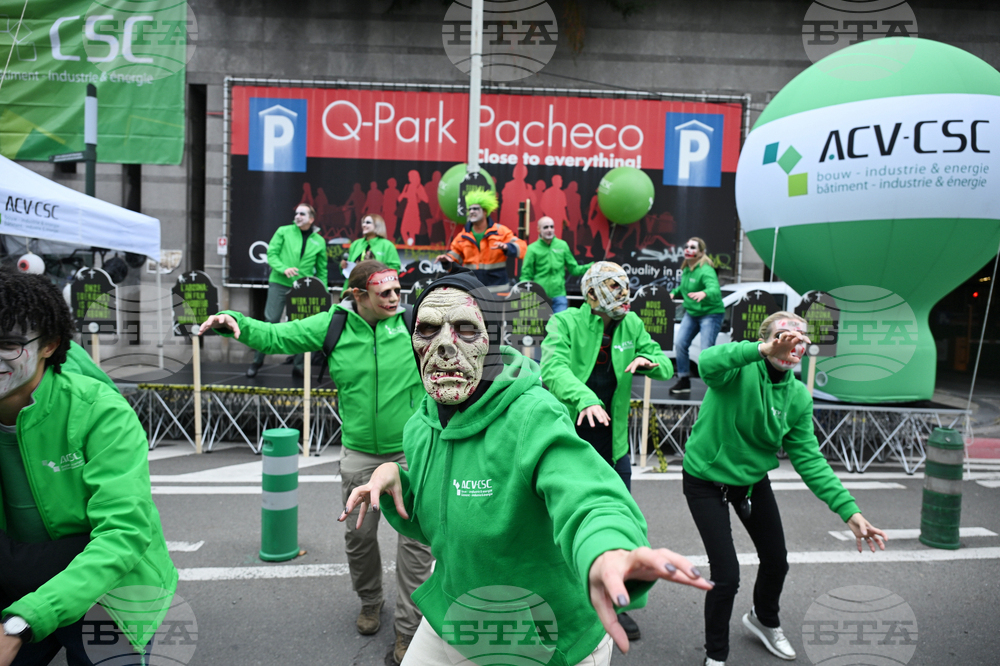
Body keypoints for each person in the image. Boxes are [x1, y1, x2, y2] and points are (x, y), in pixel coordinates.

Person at [340, 270, 712, 666]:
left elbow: (586, 493)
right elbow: (444, 519)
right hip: (455, 619)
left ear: (493, 343)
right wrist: (400, 479)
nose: (444, 345)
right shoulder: (422, 424)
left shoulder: (533, 414)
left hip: (544, 638)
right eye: (428, 329)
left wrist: (608, 550)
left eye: (466, 328)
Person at [199, 261, 432, 665]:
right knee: (360, 538)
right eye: (385, 293)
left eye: (398, 290)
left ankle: (408, 630)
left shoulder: (412, 321)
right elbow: (275, 336)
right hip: (360, 451)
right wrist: (233, 318)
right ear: (358, 295)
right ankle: (370, 601)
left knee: (415, 543)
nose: (396, 298)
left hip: (409, 450)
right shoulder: (333, 324)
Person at [683, 312, 888, 666]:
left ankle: (763, 619)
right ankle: (716, 655)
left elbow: (809, 459)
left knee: (777, 561)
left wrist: (849, 511)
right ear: (768, 340)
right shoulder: (737, 369)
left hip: (750, 481)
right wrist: (760, 349)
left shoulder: (798, 397)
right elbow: (709, 361)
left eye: (801, 338)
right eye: (783, 334)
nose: (793, 341)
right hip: (706, 479)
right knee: (727, 576)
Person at [0, 269, 177, 666]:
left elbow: (122, 533)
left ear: (50, 345)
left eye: (9, 344)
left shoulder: (100, 412)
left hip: (108, 588)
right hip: (17, 579)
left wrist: (23, 622)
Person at [540, 261, 673, 640]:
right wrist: (584, 398)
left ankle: (616, 599)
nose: (623, 293)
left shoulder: (631, 324)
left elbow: (662, 361)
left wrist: (652, 363)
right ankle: (568, 596)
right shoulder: (564, 323)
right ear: (593, 294)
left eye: (625, 286)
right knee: (563, 521)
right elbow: (552, 367)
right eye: (614, 288)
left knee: (618, 519)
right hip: (571, 438)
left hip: (614, 443)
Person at [249, 203, 329, 378]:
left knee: (301, 325)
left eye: (302, 213)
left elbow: (322, 270)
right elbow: (272, 254)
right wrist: (283, 268)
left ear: (311, 219)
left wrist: (321, 290)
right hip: (280, 282)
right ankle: (257, 361)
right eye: (296, 213)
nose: (298, 216)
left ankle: (298, 366)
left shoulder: (319, 241)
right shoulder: (283, 231)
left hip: (303, 288)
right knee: (270, 320)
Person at [434, 188, 526, 287]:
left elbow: (522, 248)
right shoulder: (462, 236)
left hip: (498, 289)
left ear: (485, 211)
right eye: (470, 209)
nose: (472, 212)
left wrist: (507, 247)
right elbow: (453, 261)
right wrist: (446, 261)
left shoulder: (500, 231)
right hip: (473, 288)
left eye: (476, 209)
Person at [669, 237, 725, 395]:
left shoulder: (706, 269)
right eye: (686, 246)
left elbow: (715, 290)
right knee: (680, 343)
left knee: (706, 350)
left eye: (692, 247)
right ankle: (684, 379)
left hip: (711, 314)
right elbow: (683, 288)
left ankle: (713, 385)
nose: (688, 249)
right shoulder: (687, 268)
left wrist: (704, 293)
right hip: (692, 313)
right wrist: (674, 293)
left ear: (701, 252)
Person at [519, 216, 592, 313]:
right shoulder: (532, 249)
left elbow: (574, 269)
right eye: (545, 227)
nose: (549, 230)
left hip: (559, 294)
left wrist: (591, 266)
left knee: (560, 325)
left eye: (551, 227)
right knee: (541, 327)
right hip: (540, 295)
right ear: (538, 229)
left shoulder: (562, 245)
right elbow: (526, 274)